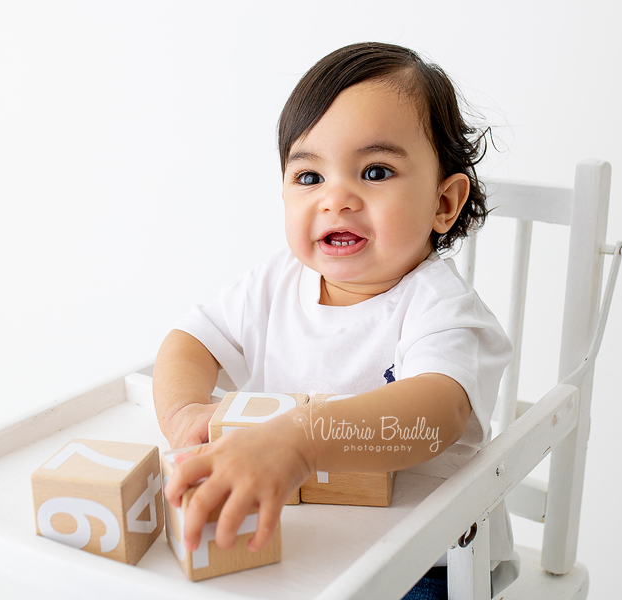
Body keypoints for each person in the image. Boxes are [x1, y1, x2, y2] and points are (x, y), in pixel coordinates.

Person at [154, 42, 513, 598]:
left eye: (375, 171)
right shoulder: (274, 284)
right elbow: (189, 342)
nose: (336, 198)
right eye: (308, 177)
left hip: (425, 561)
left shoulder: (442, 309)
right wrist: (183, 414)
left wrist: (302, 440)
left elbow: (434, 414)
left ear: (445, 203)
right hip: (301, 543)